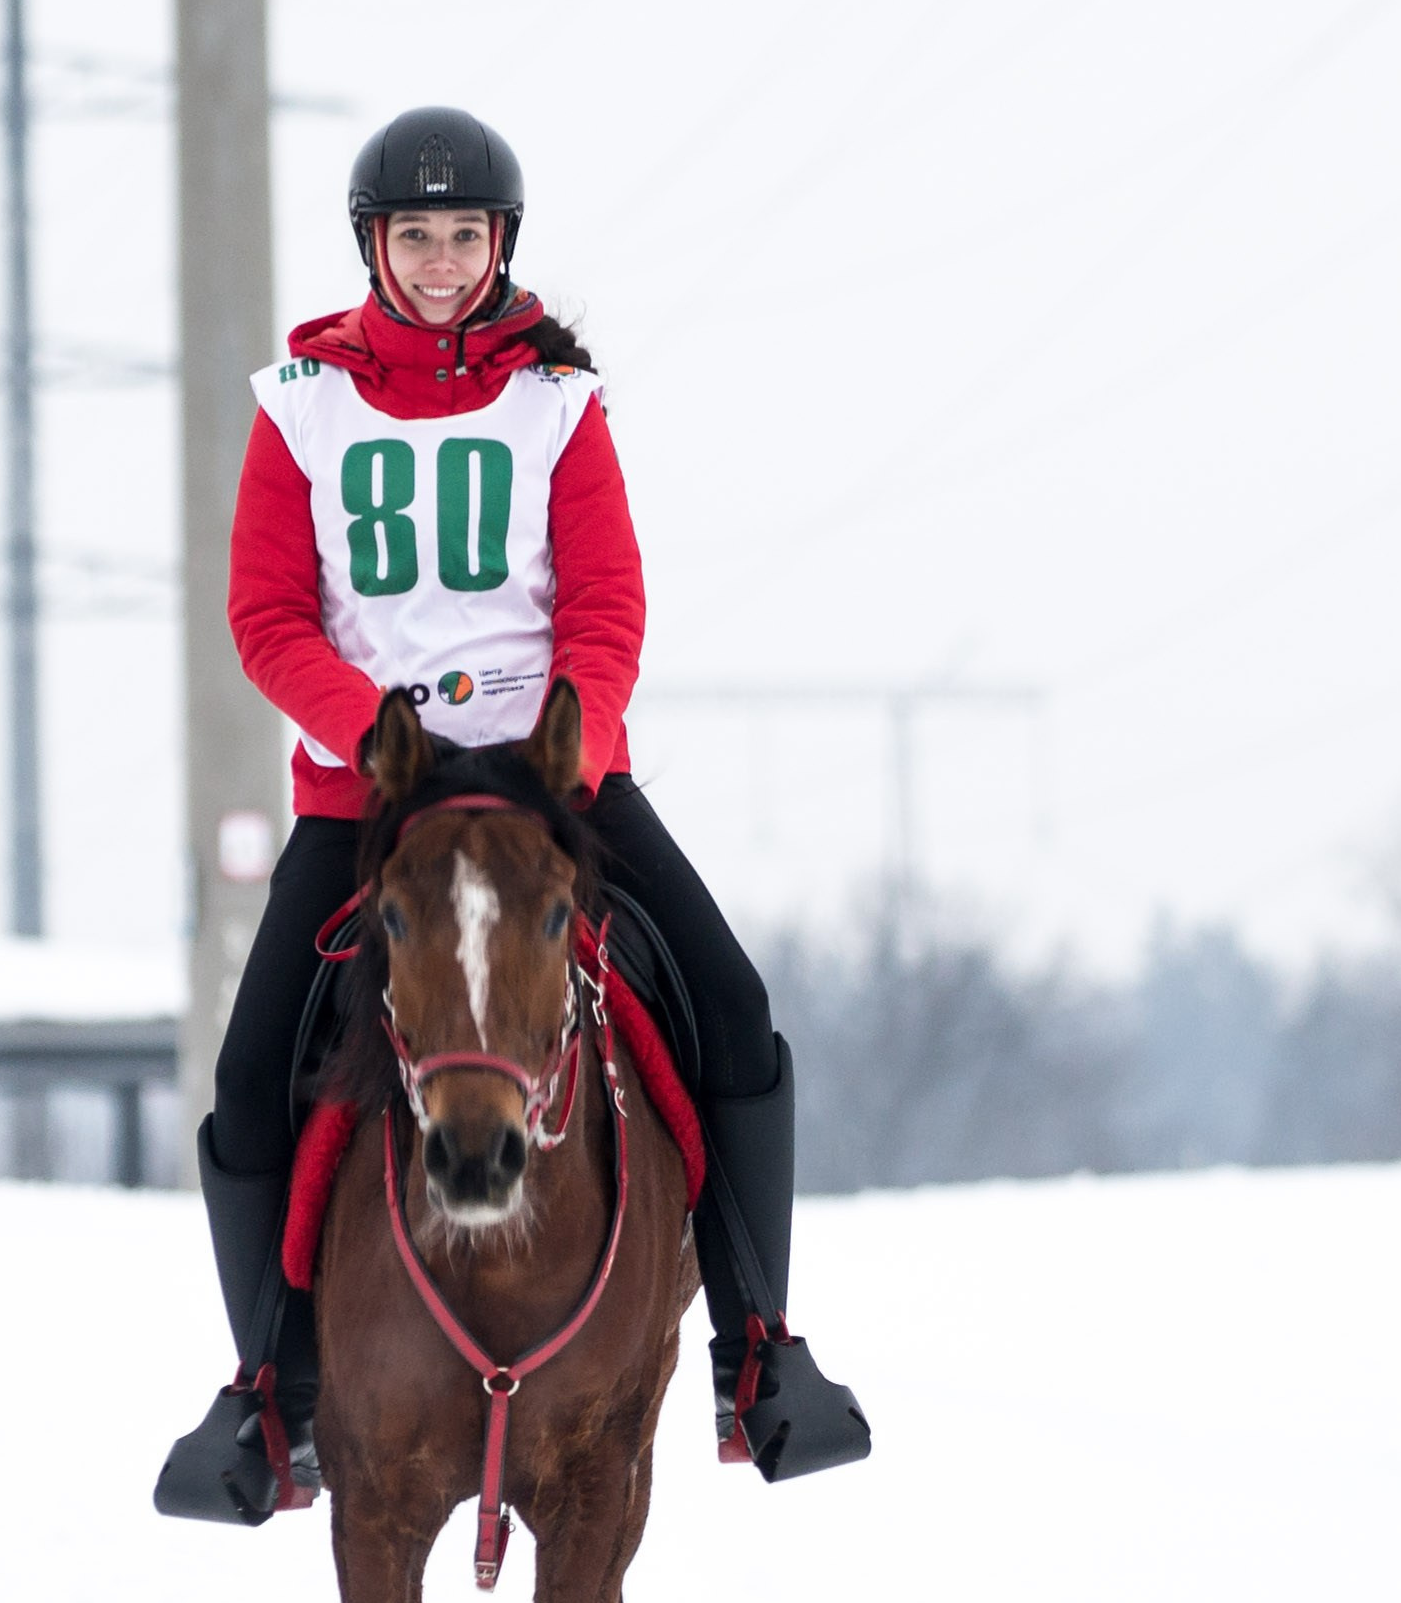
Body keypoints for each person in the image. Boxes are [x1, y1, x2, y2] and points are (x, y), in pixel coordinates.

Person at [155, 106, 868, 1527]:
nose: (438, 262)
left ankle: (758, 1356)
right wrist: (372, 731)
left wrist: (571, 746)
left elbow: (607, 606)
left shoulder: (558, 402)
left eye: (463, 236)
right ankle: (270, 1395)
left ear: (501, 245)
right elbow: (267, 615)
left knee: (731, 1008)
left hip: (555, 788)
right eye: (414, 236)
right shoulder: (300, 404)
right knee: (249, 1077)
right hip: (371, 796)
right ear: (373, 246)